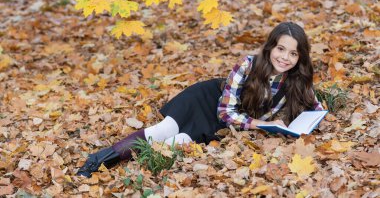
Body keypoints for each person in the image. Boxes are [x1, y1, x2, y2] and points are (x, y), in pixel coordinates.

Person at [77, 22, 324, 178]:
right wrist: (260, 125)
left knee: (176, 142)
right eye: (281, 49)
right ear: (270, 47)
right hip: (208, 102)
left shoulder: (297, 79)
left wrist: (308, 122)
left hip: (222, 126)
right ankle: (97, 162)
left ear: (300, 57)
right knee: (163, 130)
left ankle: (130, 172)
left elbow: (315, 108)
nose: (285, 58)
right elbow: (226, 112)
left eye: (293, 53)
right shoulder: (249, 65)